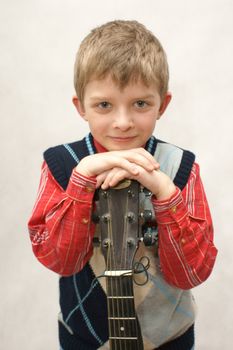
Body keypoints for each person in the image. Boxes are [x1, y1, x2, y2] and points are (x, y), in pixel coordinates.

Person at [28, 20, 218, 350]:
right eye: (104, 105)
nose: (123, 122)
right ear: (80, 107)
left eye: (140, 104)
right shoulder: (63, 165)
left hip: (168, 338)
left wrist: (165, 193)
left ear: (163, 104)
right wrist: (82, 180)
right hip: (86, 337)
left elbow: (192, 274)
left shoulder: (180, 167)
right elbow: (61, 261)